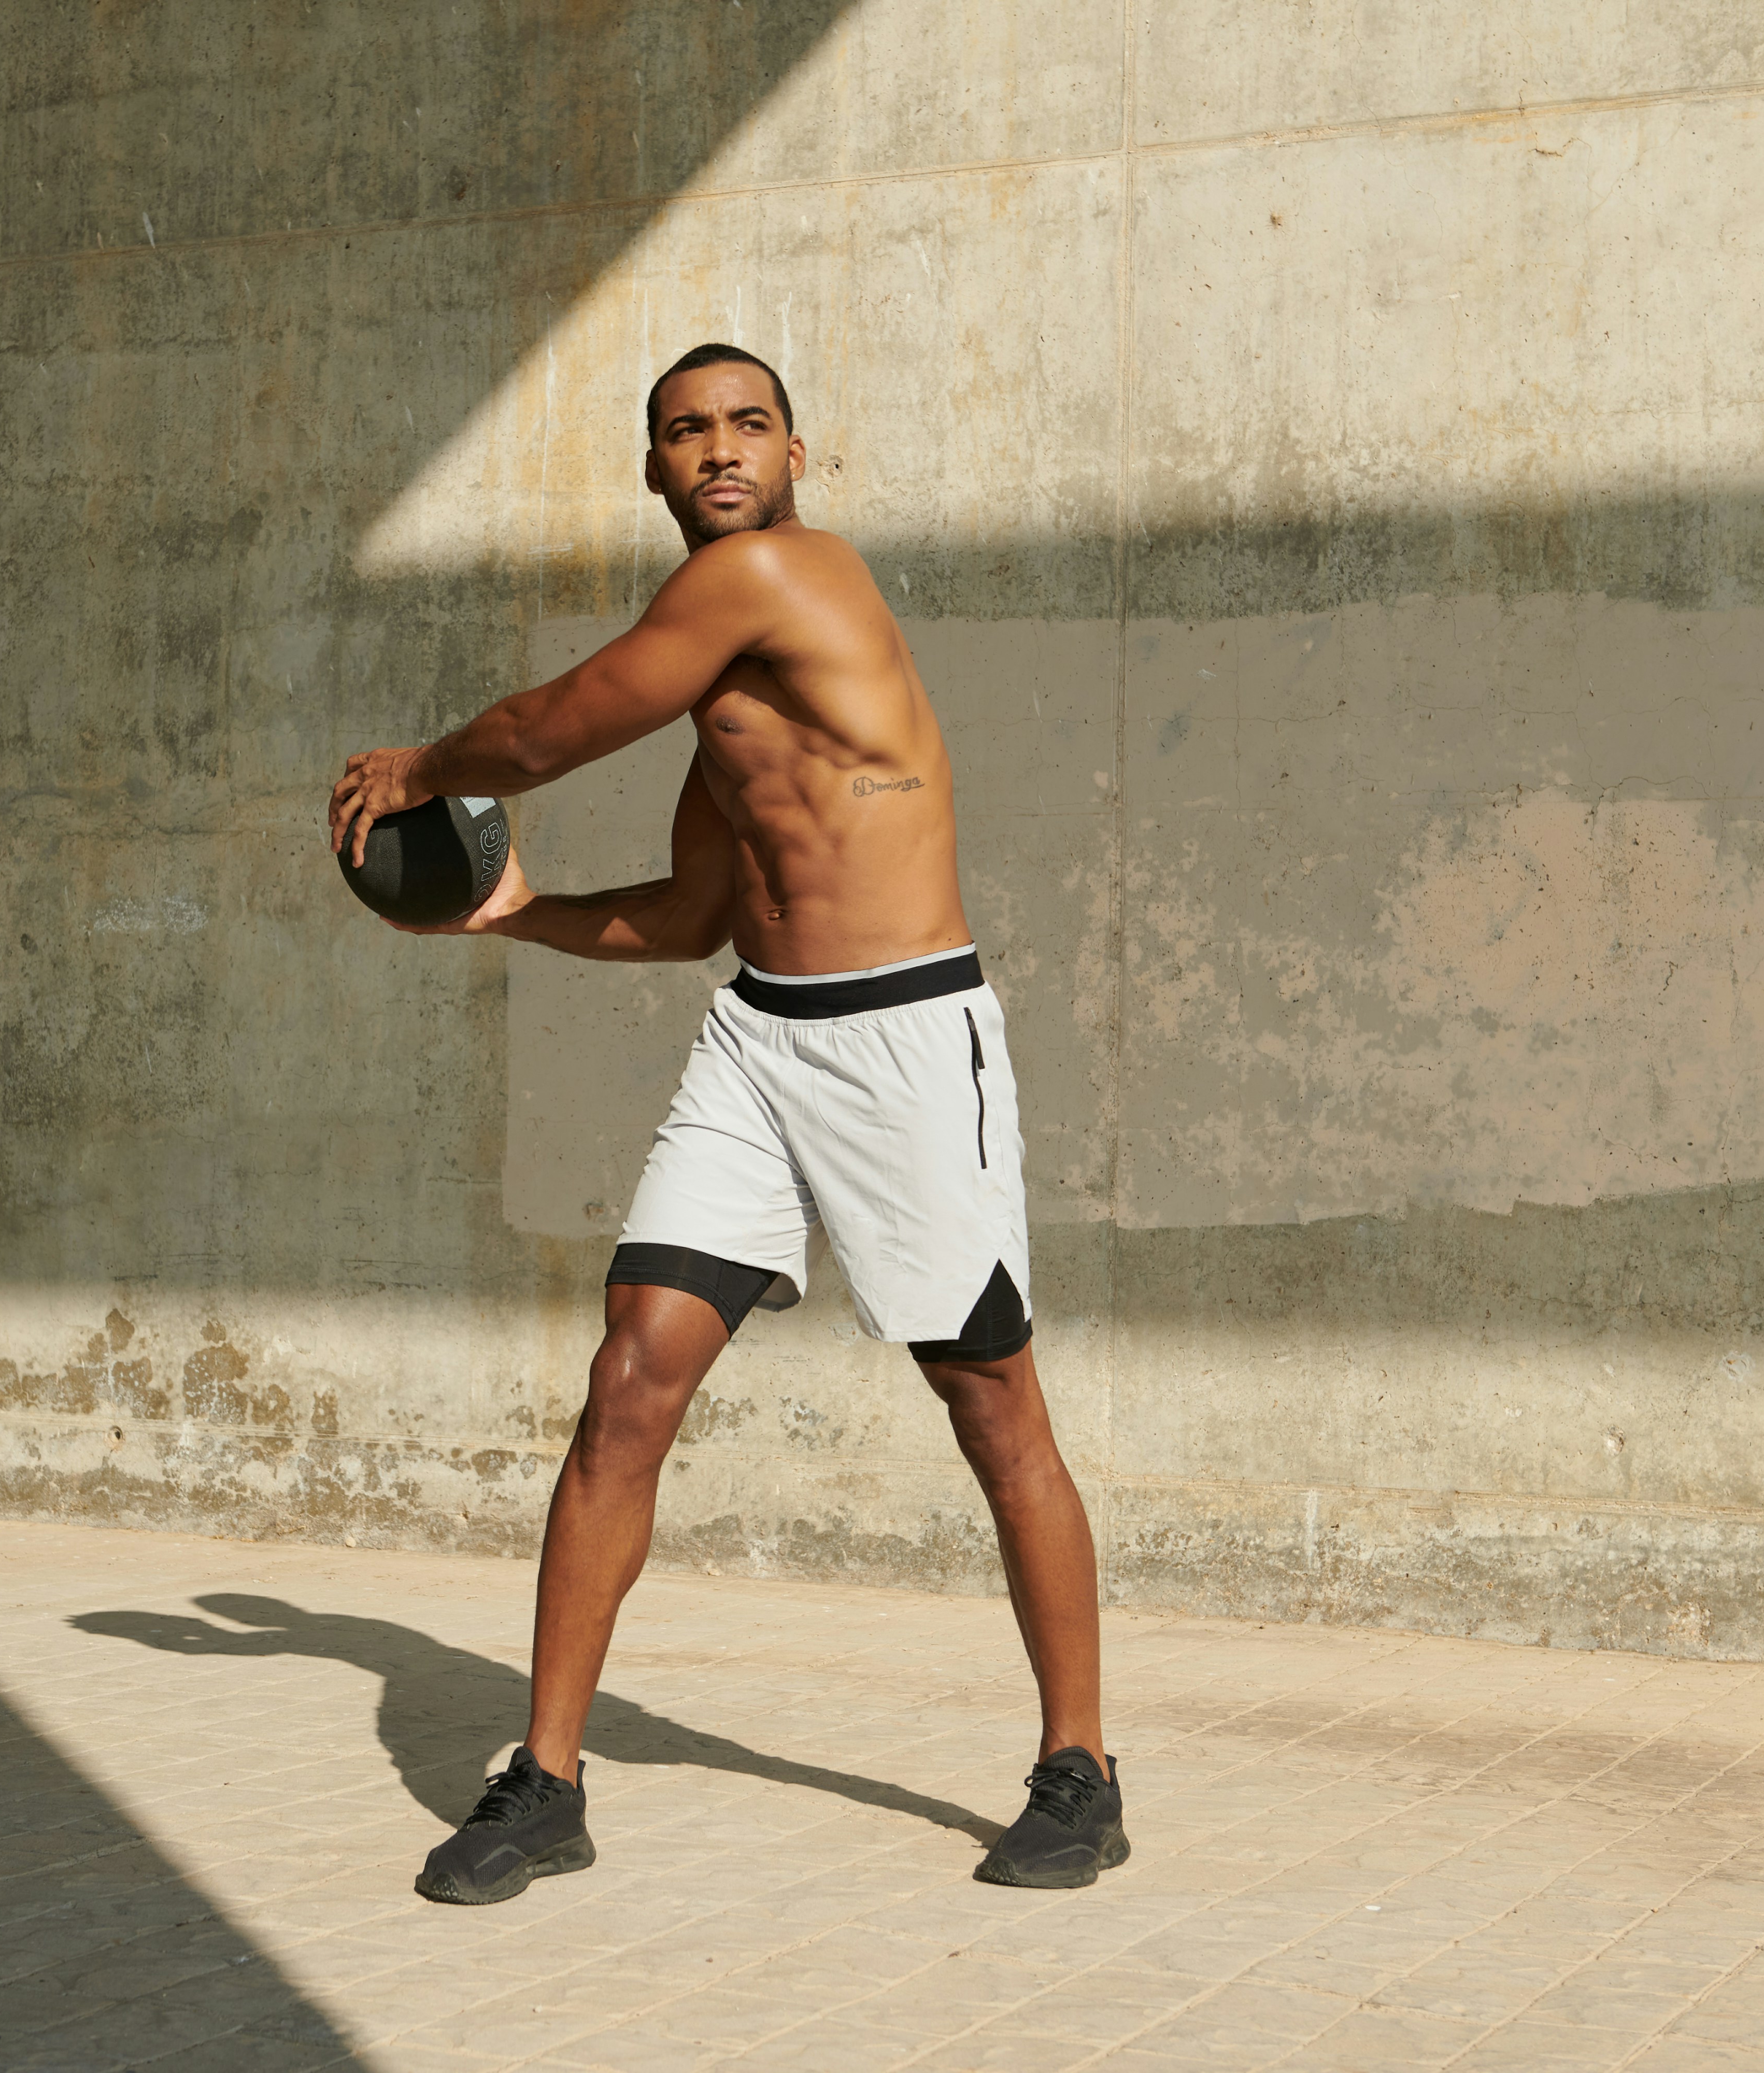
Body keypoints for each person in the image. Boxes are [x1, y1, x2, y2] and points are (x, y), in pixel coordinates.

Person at [328, 343, 1125, 1902]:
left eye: (747, 425)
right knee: (631, 1378)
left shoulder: (779, 578)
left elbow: (554, 729)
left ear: (797, 453)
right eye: (687, 433)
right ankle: (546, 1783)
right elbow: (694, 915)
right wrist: (510, 914)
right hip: (764, 1039)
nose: (719, 452)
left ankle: (1082, 1770)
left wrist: (420, 767)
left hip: (904, 1039)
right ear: (652, 469)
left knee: (990, 1405)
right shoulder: (728, 693)